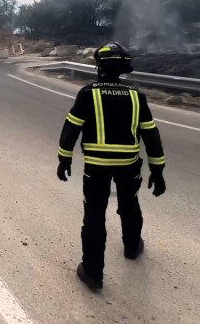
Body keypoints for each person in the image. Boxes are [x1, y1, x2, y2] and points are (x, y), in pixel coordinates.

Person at [56, 42, 166, 292]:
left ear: (99, 66)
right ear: (125, 68)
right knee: (130, 204)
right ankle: (131, 246)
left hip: (96, 167)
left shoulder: (88, 93)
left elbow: (71, 128)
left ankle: (93, 274)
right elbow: (151, 135)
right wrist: (158, 170)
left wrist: (64, 159)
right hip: (129, 165)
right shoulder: (137, 96)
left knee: (94, 215)